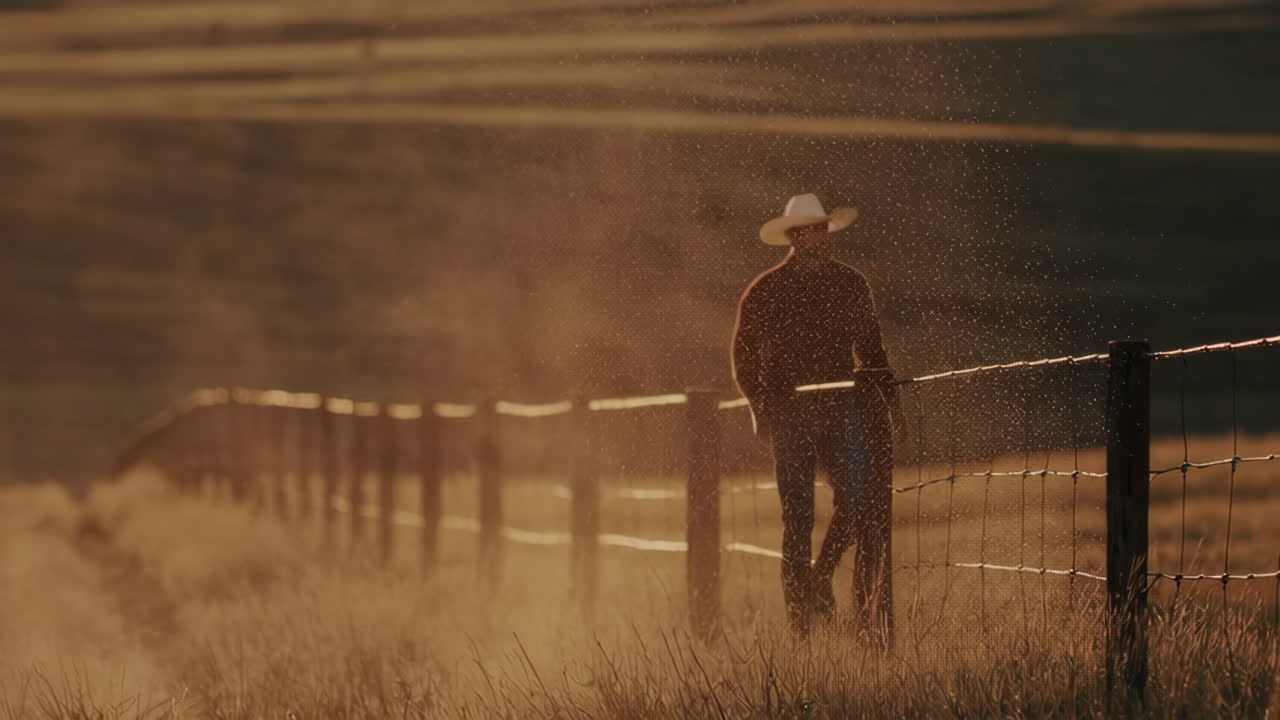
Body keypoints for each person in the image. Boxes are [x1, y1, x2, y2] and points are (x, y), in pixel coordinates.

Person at [732, 193, 904, 635]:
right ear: (795, 236)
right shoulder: (767, 288)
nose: (823, 236)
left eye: (824, 228)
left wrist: (891, 404)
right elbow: (744, 352)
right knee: (798, 518)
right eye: (815, 229)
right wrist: (760, 405)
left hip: (840, 407)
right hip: (791, 412)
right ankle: (799, 625)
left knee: (859, 500)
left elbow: (871, 349)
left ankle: (820, 576)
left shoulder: (849, 283)